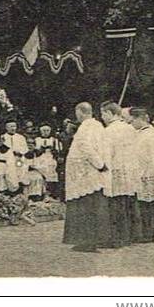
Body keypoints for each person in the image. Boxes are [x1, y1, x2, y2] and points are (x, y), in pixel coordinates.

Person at [62, 102, 110, 252]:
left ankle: (86, 241)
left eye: (77, 112)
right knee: (92, 206)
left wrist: (99, 164)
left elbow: (86, 147)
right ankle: (90, 241)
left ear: (80, 112)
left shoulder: (86, 127)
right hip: (90, 173)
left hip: (84, 175)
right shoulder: (97, 125)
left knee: (84, 207)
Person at [100, 101, 138, 248]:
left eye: (103, 113)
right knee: (127, 203)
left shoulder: (109, 131)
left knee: (115, 205)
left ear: (110, 113)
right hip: (129, 170)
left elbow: (107, 153)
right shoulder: (130, 129)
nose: (102, 117)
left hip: (115, 170)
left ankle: (116, 238)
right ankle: (128, 236)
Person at [130, 108, 154, 243]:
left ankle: (147, 233)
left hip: (147, 172)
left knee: (146, 204)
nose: (132, 123)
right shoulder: (151, 133)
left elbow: (141, 157)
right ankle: (151, 232)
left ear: (140, 119)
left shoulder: (147, 135)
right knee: (150, 203)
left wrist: (137, 173)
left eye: (133, 120)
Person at [30, 123, 63, 201]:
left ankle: (51, 193)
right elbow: (33, 151)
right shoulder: (37, 140)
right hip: (40, 159)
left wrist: (53, 150)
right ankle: (39, 193)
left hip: (50, 159)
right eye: (44, 130)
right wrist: (40, 150)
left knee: (51, 174)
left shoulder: (54, 140)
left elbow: (58, 151)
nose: (45, 132)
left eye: (47, 130)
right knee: (39, 174)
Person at [0, 120, 29, 195]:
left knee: (21, 168)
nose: (13, 128)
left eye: (14, 126)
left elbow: (25, 148)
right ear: (6, 128)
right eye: (10, 126)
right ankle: (8, 189)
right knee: (6, 169)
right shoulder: (2, 137)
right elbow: (0, 150)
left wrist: (20, 152)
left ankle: (19, 188)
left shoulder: (21, 137)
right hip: (6, 158)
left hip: (18, 158)